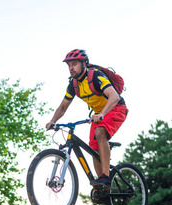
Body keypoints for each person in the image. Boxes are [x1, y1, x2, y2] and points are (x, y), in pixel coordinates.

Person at [45, 49, 128, 189]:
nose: (71, 68)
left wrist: (101, 114)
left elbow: (114, 97)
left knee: (100, 132)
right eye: (69, 65)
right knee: (94, 147)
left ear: (84, 64)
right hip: (99, 114)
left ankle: (106, 178)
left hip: (116, 108)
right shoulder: (74, 84)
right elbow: (63, 107)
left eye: (74, 64)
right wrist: (53, 121)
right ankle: (102, 186)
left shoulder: (95, 76)